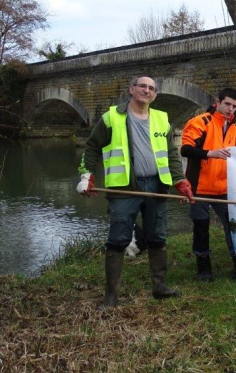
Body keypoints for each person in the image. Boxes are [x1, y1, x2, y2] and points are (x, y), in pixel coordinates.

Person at [77, 76, 194, 309]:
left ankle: (160, 287)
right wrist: (86, 175)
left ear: (155, 94)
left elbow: (171, 154)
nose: (147, 90)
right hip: (124, 188)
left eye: (151, 88)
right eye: (142, 86)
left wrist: (180, 180)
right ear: (131, 89)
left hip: (156, 186)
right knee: (118, 240)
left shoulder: (162, 119)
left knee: (157, 237)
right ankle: (111, 297)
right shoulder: (111, 117)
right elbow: (92, 147)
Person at [182, 88, 236, 282]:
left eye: (234, 106)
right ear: (217, 101)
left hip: (224, 188)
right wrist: (209, 153)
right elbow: (186, 150)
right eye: (227, 104)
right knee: (201, 228)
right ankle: (204, 267)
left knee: (233, 226)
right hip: (200, 188)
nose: (231, 109)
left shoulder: (234, 126)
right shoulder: (200, 122)